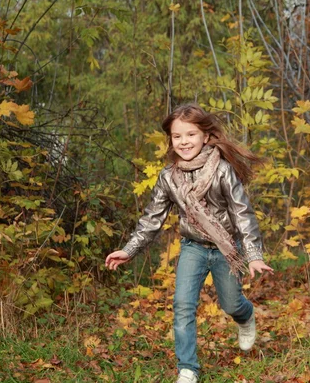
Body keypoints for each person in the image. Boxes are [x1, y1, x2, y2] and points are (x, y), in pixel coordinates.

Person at [105, 103, 273, 383]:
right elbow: (151, 220)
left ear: (206, 137)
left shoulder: (223, 170)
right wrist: (129, 249)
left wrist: (254, 254)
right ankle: (187, 368)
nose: (184, 142)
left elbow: (243, 214)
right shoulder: (168, 178)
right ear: (171, 140)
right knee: (183, 304)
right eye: (177, 136)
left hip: (227, 249)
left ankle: (245, 316)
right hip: (192, 248)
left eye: (191, 135)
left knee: (231, 304)